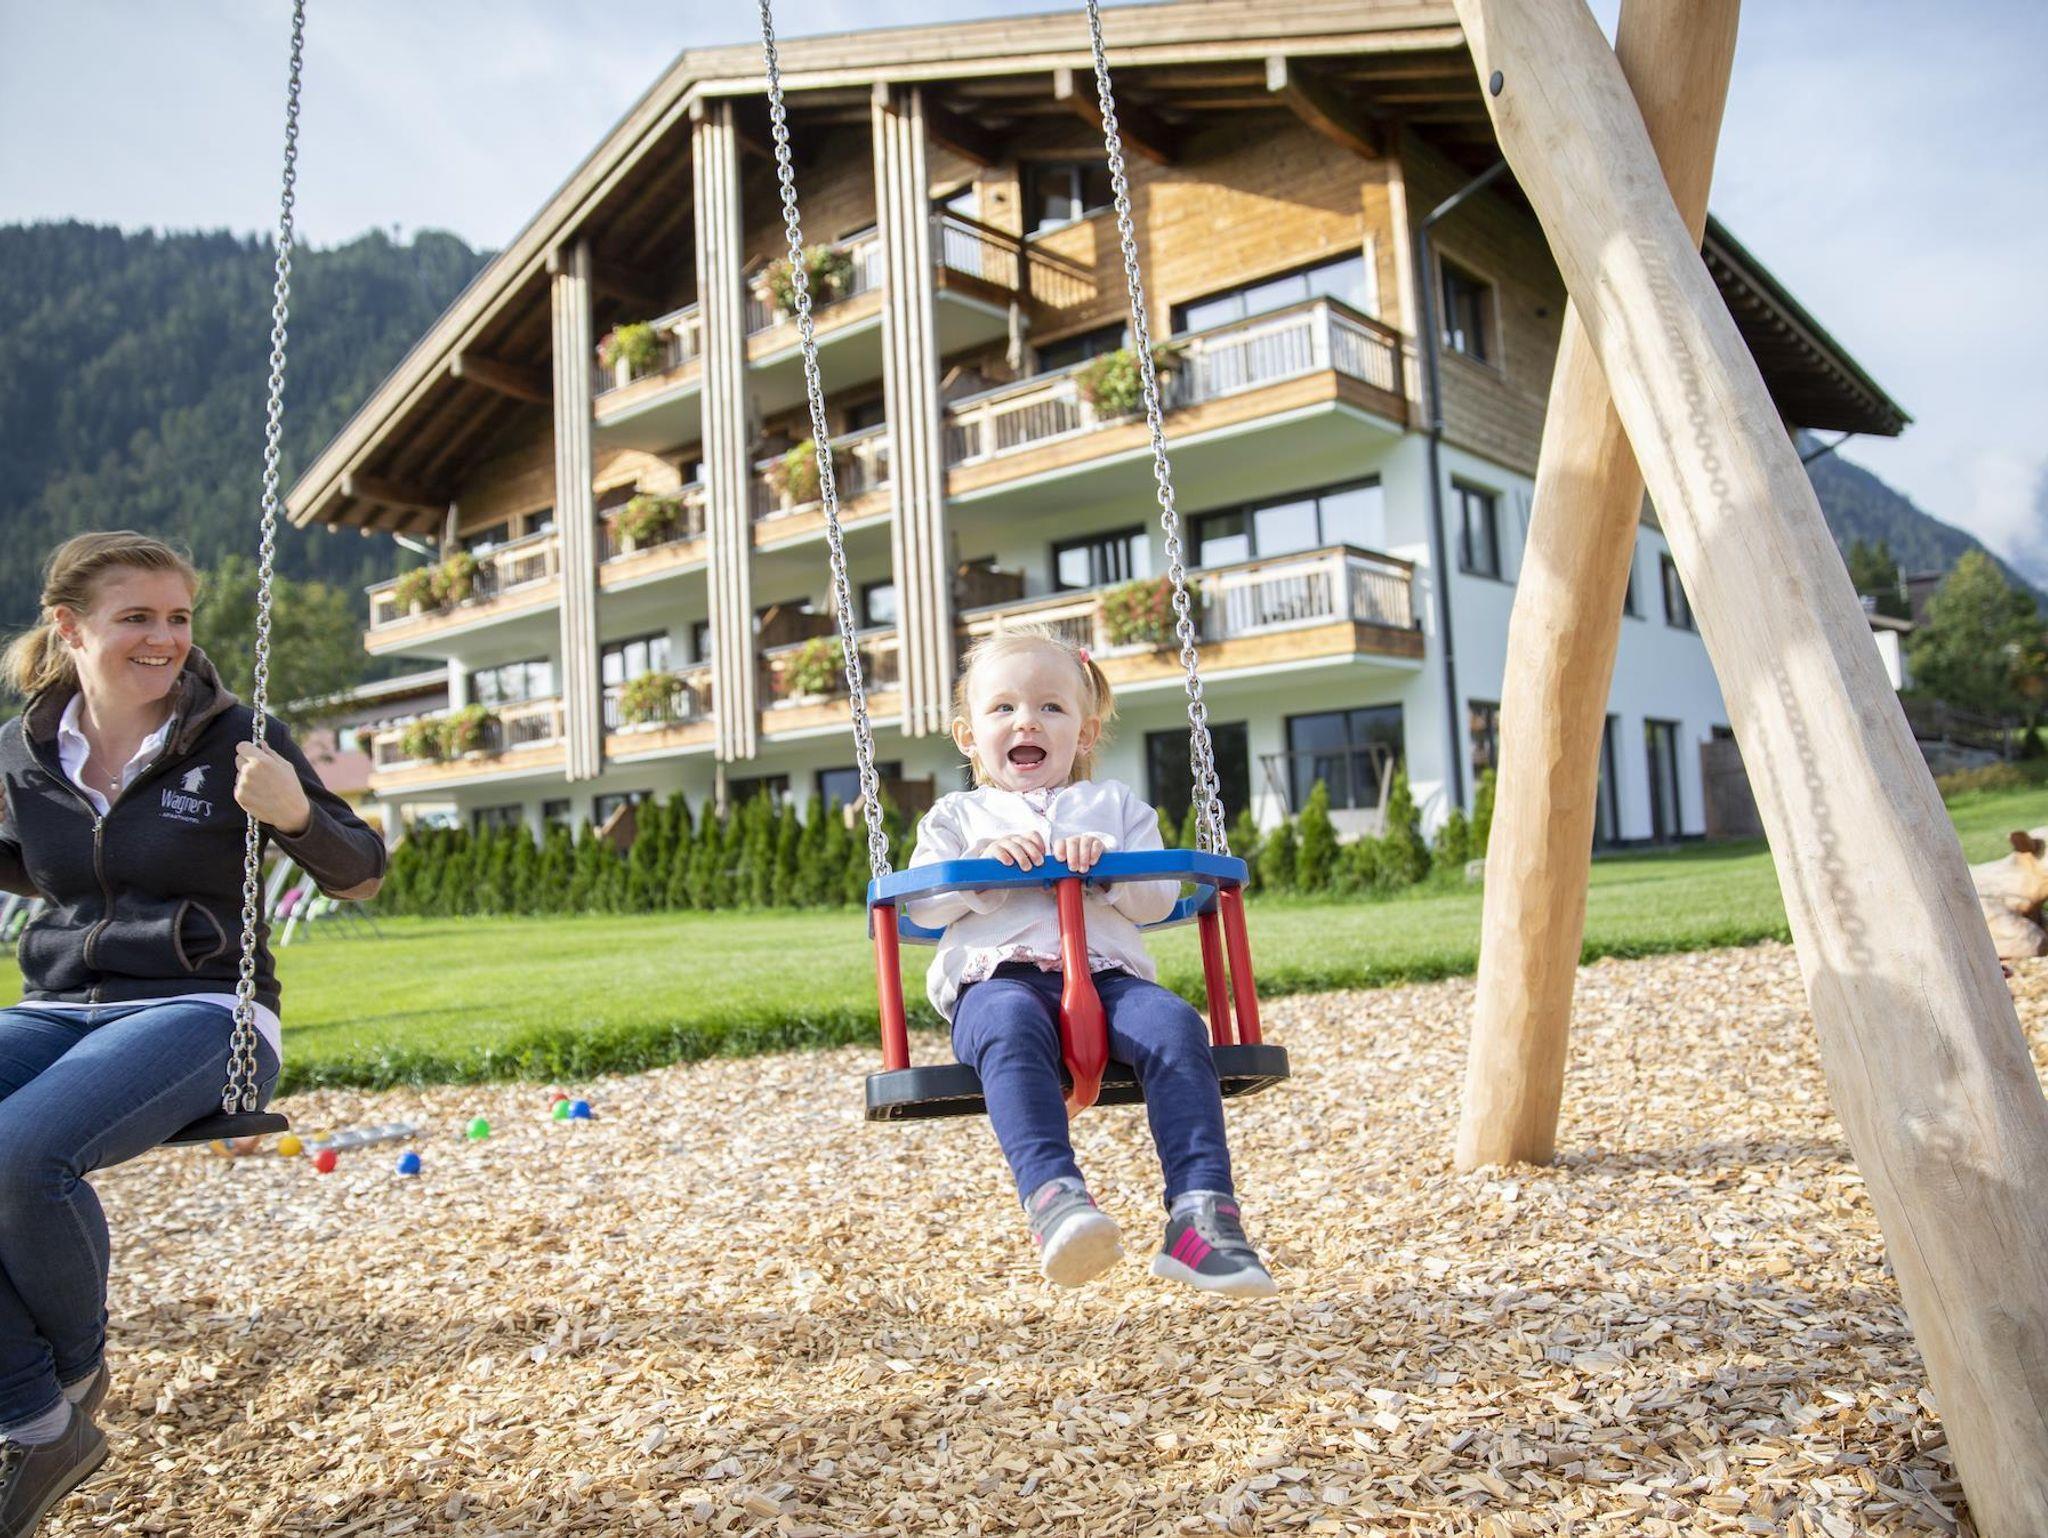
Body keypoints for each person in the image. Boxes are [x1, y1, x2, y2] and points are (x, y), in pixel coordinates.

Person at [0, 532, 385, 1531]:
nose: (165, 638)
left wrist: (294, 813)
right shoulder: (24, 747)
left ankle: (68, 1374)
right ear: (69, 627)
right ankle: (36, 1414)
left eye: (177, 616)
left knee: (18, 1151)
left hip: (205, 1005)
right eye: (137, 616)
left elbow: (361, 870)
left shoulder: (236, 735)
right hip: (56, 1001)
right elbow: (41, 865)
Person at [908, 626, 1276, 1297]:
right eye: (1003, 708)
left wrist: (1109, 866)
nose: (1027, 721)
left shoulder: (1115, 808)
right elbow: (923, 905)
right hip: (996, 981)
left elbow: (1156, 898)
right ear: (968, 737)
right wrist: (982, 868)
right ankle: (1056, 1200)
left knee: (1174, 1026)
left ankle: (1202, 1216)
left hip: (1110, 980)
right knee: (1009, 1025)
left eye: (1050, 707)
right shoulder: (956, 818)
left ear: (1084, 733)